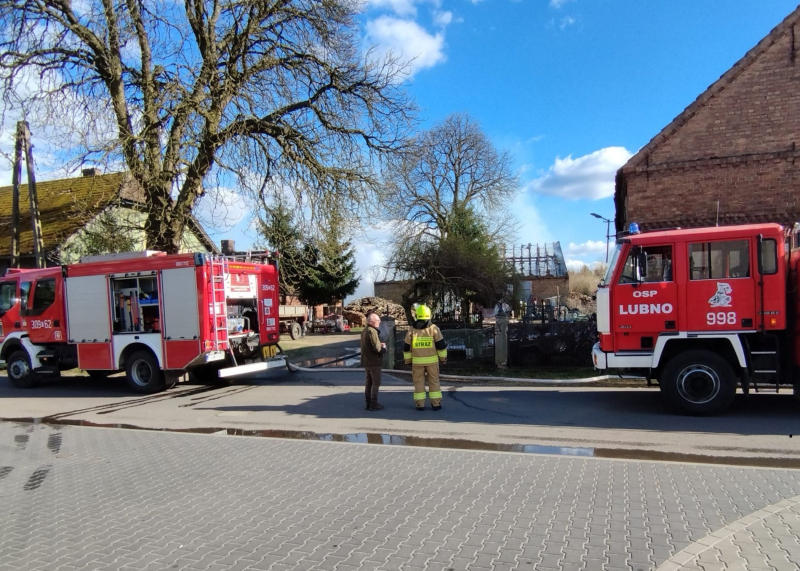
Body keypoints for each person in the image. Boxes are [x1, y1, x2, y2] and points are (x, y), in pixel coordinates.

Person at [404, 304, 447, 411]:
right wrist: (443, 359)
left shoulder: (412, 330)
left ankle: (420, 404)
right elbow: (441, 346)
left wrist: (408, 361)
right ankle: (436, 404)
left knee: (418, 382)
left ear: (417, 315)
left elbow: (406, 347)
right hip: (432, 362)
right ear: (429, 315)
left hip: (417, 362)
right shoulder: (434, 329)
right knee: (434, 381)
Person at [360, 311, 386, 411]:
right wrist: (384, 348)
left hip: (367, 361)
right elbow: (377, 348)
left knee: (369, 383)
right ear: (371, 321)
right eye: (377, 321)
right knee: (376, 383)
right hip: (374, 361)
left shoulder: (365, 330)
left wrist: (379, 344)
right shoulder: (372, 331)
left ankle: (368, 403)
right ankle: (373, 404)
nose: (379, 322)